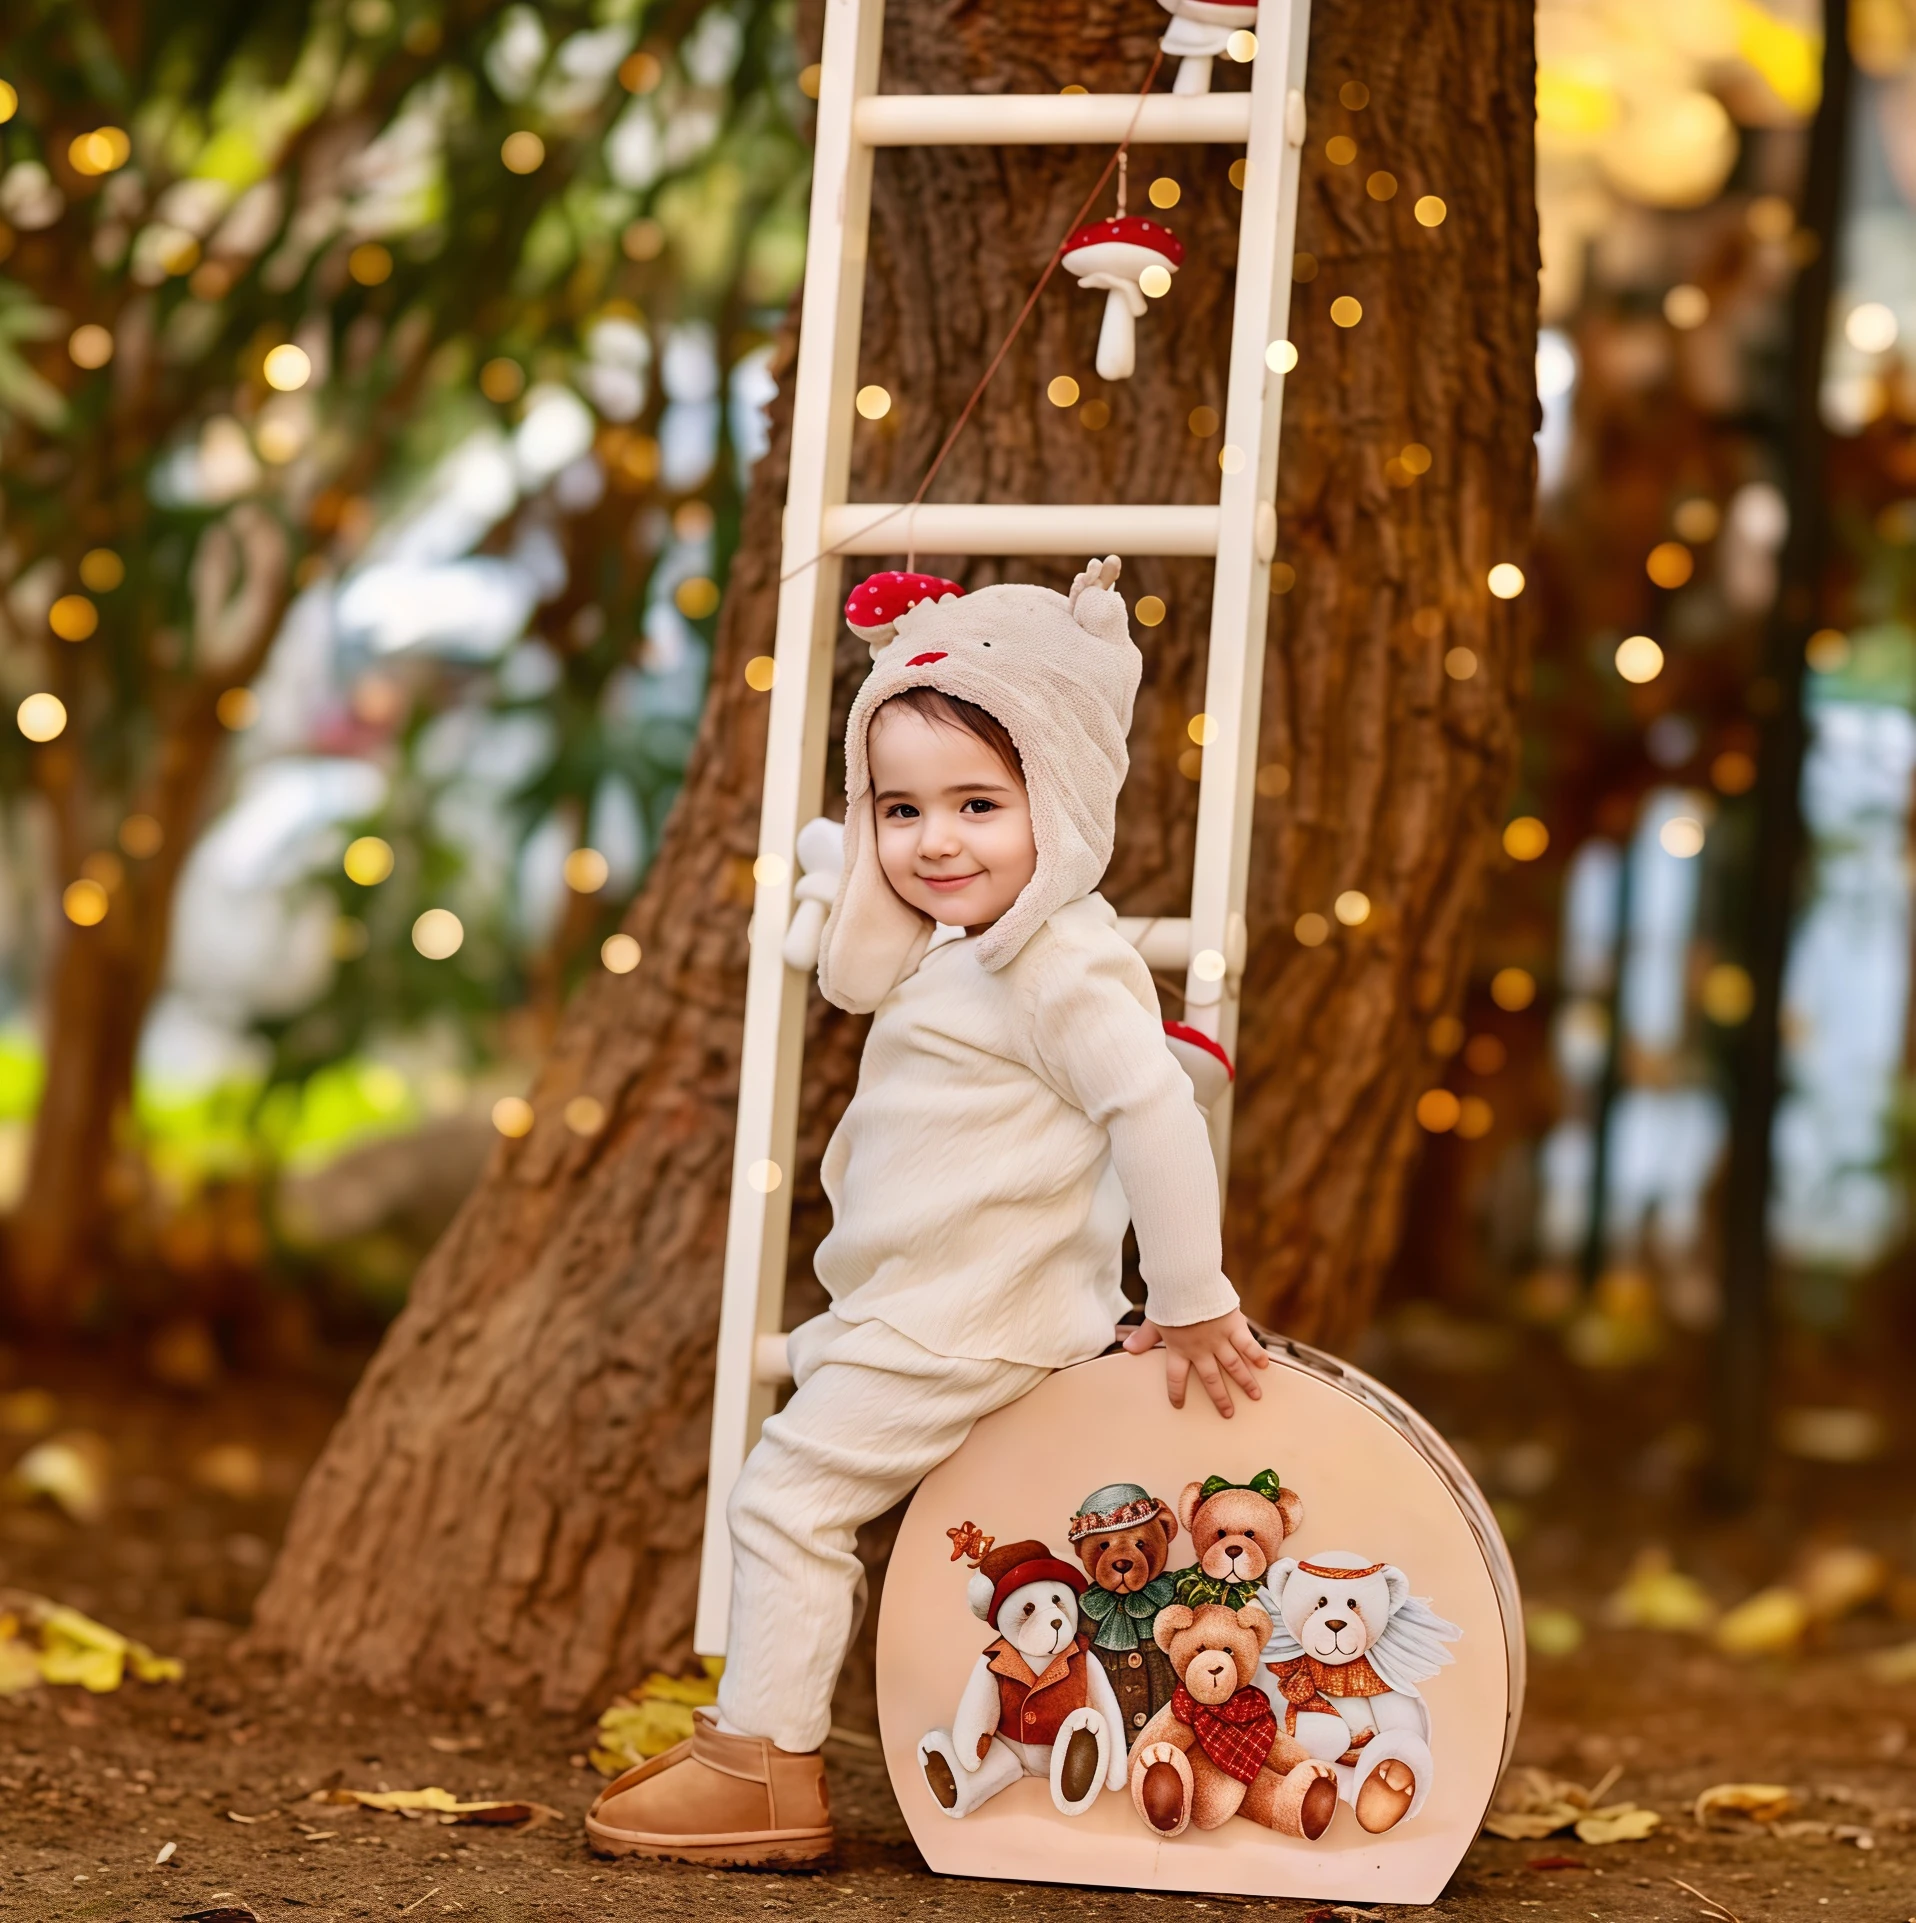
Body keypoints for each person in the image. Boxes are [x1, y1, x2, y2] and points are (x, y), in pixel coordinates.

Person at [585, 556, 1269, 1866]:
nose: (935, 841)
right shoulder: (979, 947)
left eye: (979, 804)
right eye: (900, 809)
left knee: (788, 1497)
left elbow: (1152, 1111)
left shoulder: (1056, 961)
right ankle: (779, 1742)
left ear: (1061, 804)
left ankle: (763, 1766)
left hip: (964, 1319)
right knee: (834, 1500)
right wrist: (844, 881)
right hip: (928, 1303)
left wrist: (1191, 1296)